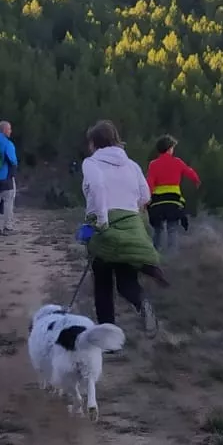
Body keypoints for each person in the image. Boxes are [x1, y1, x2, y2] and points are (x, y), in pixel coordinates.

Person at [80, 120, 166, 336]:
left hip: (103, 225)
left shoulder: (91, 163)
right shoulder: (132, 165)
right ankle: (141, 302)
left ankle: (108, 336)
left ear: (93, 143)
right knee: (126, 281)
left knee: (103, 284)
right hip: (130, 226)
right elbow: (145, 196)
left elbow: (97, 187)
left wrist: (102, 219)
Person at [146, 135, 201, 252]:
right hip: (173, 201)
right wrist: (196, 180)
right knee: (172, 229)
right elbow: (189, 171)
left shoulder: (153, 164)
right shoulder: (177, 162)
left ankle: (155, 254)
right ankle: (172, 257)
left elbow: (150, 183)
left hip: (158, 202)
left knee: (158, 229)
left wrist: (147, 199)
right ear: (170, 149)